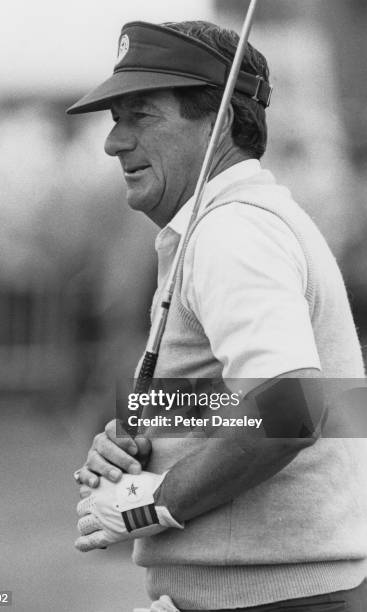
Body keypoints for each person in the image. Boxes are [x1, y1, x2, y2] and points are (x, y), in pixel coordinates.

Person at [67, 20, 367, 612]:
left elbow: (290, 405)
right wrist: (146, 434)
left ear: (220, 122)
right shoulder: (226, 223)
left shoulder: (232, 230)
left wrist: (155, 499)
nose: (114, 142)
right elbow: (260, 399)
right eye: (114, 119)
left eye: (141, 115)